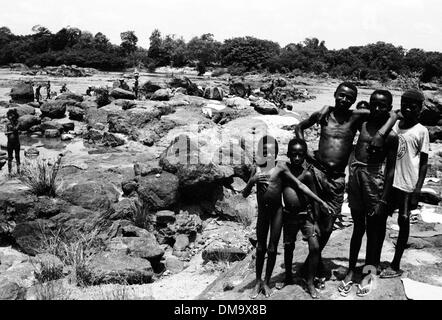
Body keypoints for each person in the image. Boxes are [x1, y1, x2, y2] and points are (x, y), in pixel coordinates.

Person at [294, 82, 395, 289]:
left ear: (354, 101)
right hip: (317, 173)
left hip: (338, 178)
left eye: (350, 98)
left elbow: (390, 113)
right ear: (335, 94)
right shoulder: (323, 116)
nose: (345, 100)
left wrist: (383, 131)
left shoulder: (355, 117)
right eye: (341, 96)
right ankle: (310, 266)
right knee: (314, 221)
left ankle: (316, 263)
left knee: (329, 225)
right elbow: (299, 127)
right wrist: (304, 151)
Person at [242, 135, 333, 299]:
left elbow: (300, 185)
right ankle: (259, 282)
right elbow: (244, 193)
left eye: (271, 152)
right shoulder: (256, 169)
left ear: (276, 153)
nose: (268, 155)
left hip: (280, 213)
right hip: (267, 214)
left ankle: (269, 281)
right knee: (262, 248)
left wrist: (321, 202)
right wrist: (252, 181)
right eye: (264, 152)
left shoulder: (281, 168)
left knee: (273, 248)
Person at [338, 90, 398, 297]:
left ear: (388, 108)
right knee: (357, 228)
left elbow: (391, 170)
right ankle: (351, 270)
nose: (377, 109)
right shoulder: (363, 123)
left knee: (374, 232)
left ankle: (368, 273)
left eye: (383, 106)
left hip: (375, 179)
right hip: (356, 176)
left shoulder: (391, 136)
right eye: (374, 104)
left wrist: (384, 199)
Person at [377, 89, 429, 279]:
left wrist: (417, 190)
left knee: (404, 220)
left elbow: (423, 163)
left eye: (412, 105)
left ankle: (396, 263)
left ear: (420, 108)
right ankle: (375, 259)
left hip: (408, 182)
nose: (407, 108)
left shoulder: (422, 131)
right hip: (389, 180)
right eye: (404, 104)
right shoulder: (395, 125)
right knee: (380, 219)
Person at [275, 138, 323, 299]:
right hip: (289, 215)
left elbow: (315, 197)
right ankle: (288, 276)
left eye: (300, 155)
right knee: (289, 247)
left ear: (304, 156)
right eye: (294, 155)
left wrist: (316, 221)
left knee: (315, 247)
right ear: (288, 154)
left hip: (306, 216)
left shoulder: (308, 174)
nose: (297, 158)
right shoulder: (283, 172)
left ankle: (309, 281)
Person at [5, 109, 21, 176]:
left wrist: (10, 131)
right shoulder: (8, 124)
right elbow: (6, 132)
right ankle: (9, 172)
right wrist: (11, 131)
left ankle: (18, 171)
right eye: (10, 116)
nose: (11, 117)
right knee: (9, 158)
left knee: (17, 157)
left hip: (16, 143)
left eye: (13, 116)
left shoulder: (18, 123)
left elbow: (15, 129)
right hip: (10, 143)